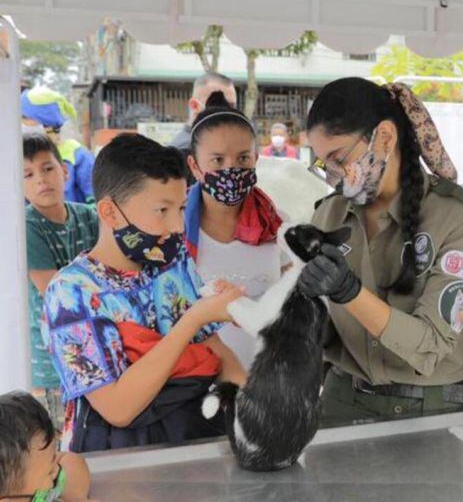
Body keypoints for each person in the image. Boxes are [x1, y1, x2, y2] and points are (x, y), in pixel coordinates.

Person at [297, 77, 463, 426]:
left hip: (430, 412)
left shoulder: (461, 216)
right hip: (341, 402)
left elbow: (430, 346)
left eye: (338, 157)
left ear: (385, 138)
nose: (334, 176)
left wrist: (348, 292)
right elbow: (326, 337)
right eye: (323, 164)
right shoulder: (329, 213)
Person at [43, 133, 246, 452]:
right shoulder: (71, 293)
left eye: (181, 207)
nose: (178, 226)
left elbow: (217, 351)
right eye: (162, 210)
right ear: (109, 212)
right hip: (117, 465)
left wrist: (249, 410)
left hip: (193, 446)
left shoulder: (172, 262)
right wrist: (192, 320)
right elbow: (118, 409)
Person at [184, 92, 288, 370]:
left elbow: (295, 305)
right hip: (197, 390)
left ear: (256, 159)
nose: (231, 169)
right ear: (195, 166)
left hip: (269, 384)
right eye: (217, 160)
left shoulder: (279, 227)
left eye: (243, 158)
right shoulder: (171, 232)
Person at [22, 133, 100, 429]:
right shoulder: (26, 226)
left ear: (65, 171)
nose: (41, 180)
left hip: (94, 357)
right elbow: (56, 293)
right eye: (28, 174)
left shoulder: (89, 217)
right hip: (51, 367)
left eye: (47, 168)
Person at [21, 86, 96, 204]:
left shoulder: (77, 155)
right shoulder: (20, 155)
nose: (21, 123)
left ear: (47, 123)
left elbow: (97, 202)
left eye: (25, 117)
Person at [169, 72, 238, 158]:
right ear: (194, 105)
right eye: (219, 105)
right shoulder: (186, 149)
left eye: (232, 106)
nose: (228, 112)